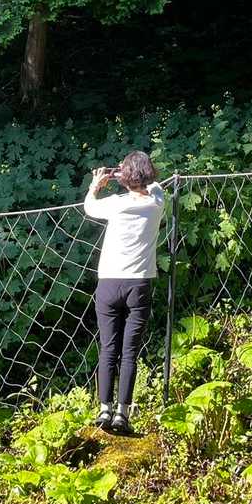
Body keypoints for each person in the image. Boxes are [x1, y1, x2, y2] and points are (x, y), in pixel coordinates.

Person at [83, 150, 165, 435]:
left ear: (126, 178)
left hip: (109, 283)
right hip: (139, 285)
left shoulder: (115, 205)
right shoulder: (156, 204)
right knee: (129, 351)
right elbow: (155, 185)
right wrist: (130, 174)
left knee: (108, 348)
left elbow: (89, 206)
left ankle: (103, 409)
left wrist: (97, 184)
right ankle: (122, 414)